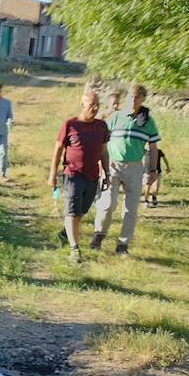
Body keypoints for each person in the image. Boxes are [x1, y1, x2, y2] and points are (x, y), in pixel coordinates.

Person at [90, 84, 160, 256]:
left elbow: (153, 147)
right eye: (130, 97)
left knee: (130, 208)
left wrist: (152, 170)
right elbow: (102, 140)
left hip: (135, 166)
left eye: (137, 98)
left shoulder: (148, 122)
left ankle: (123, 244)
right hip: (113, 164)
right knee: (107, 203)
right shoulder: (116, 117)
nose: (133, 101)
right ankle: (99, 234)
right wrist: (100, 162)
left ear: (143, 99)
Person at [49, 88, 111, 263]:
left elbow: (104, 152)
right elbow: (58, 150)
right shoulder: (70, 125)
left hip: (93, 176)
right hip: (72, 174)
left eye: (97, 105)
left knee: (82, 211)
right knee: (72, 211)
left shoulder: (101, 126)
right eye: (91, 105)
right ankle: (74, 249)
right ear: (82, 105)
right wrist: (52, 174)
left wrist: (107, 173)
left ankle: (65, 233)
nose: (95, 108)